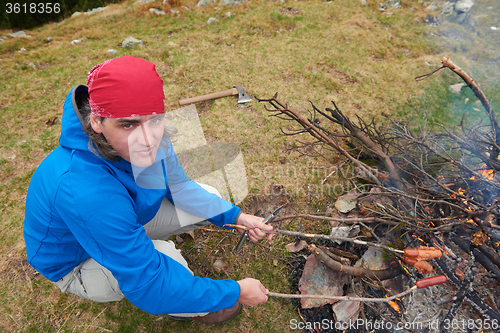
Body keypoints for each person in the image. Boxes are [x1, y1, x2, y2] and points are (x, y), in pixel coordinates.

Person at [23, 56, 273, 324]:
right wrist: (234, 292)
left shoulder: (151, 139)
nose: (147, 140)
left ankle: (159, 265)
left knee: (207, 192)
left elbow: (180, 187)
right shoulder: (82, 187)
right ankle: (195, 306)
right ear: (96, 122)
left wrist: (236, 217)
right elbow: (150, 283)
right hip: (76, 260)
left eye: (155, 120)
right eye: (127, 124)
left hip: (121, 218)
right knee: (167, 261)